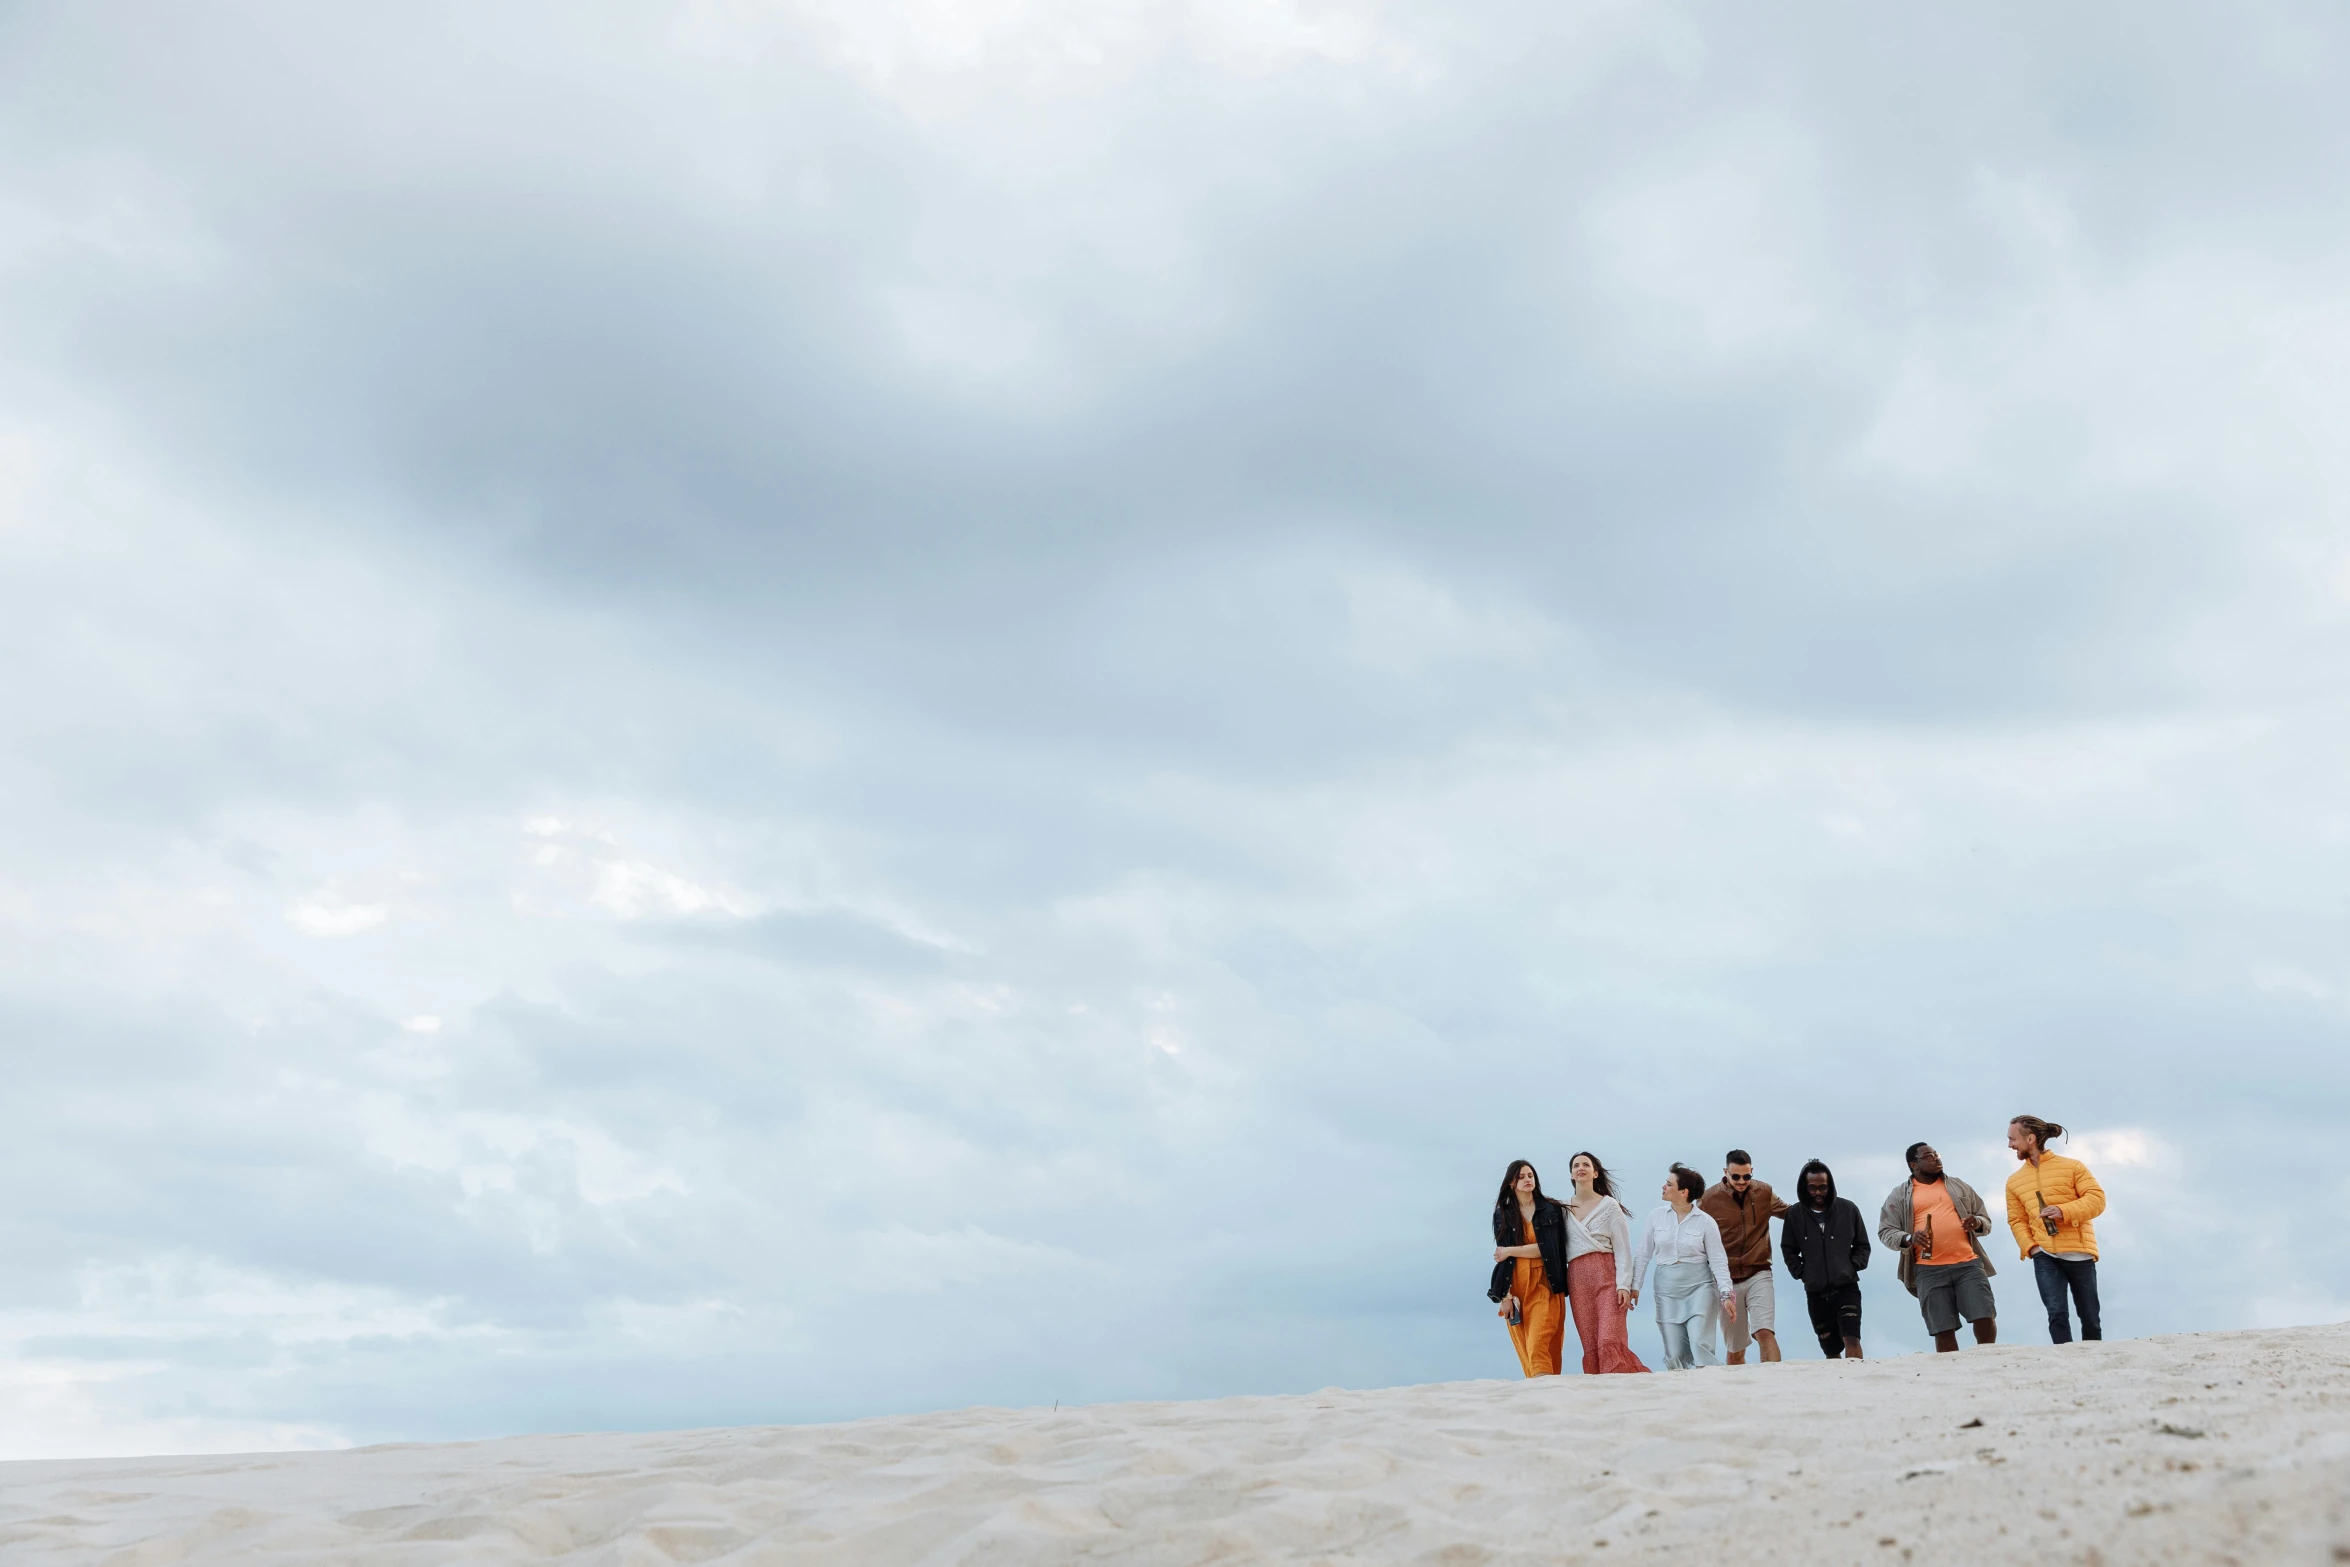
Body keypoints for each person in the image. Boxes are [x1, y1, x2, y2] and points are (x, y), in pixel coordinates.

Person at [1878, 1141, 1999, 1352]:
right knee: (1942, 1327)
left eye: (1936, 1154)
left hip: (1968, 1264)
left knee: (1984, 1314)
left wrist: (1977, 1222)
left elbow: (1984, 1219)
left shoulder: (1958, 1185)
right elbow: (1886, 1231)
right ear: (1914, 1165)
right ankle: (1951, 1371)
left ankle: (1988, 1358)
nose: (1936, 1159)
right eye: (1929, 1156)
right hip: (1928, 1269)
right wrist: (1908, 1238)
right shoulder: (1899, 1195)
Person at [2004, 1115, 2106, 1344]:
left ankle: (2094, 1360)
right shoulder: (2014, 1181)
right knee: (2056, 1313)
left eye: (2012, 1139)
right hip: (2044, 1255)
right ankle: (2066, 1363)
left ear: (2030, 1138)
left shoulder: (2072, 1167)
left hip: (2079, 1251)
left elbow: (2097, 1200)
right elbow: (2016, 1220)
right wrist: (2031, 1248)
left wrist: (2063, 1210)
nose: (2010, 1145)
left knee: (2090, 1317)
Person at [1631, 1164, 1736, 1370]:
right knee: (1675, 1352)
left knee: (1699, 1343)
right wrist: (1635, 1285)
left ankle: (1713, 1390)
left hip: (1700, 1287)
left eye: (1669, 1184)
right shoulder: (1655, 1216)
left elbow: (1718, 1260)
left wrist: (1726, 1294)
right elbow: (1643, 1253)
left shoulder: (1706, 1222)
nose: (1663, 1187)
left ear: (1683, 1191)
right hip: (1666, 1290)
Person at [1560, 1152, 1650, 1375]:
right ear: (1571, 1174)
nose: (1581, 1168)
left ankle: (1622, 1385)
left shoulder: (1609, 1206)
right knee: (1590, 1343)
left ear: (1595, 1172)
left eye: (1586, 1165)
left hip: (1607, 1274)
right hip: (1577, 1278)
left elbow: (1623, 1249)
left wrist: (1623, 1286)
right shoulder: (1562, 1209)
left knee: (1609, 1338)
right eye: (1576, 1165)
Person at [1699, 1149, 1788, 1365]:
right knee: (1735, 1349)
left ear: (1752, 1172)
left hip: (1759, 1271)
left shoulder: (1764, 1192)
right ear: (1725, 1172)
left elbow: (1790, 1213)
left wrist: (1820, 1209)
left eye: (1747, 1176)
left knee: (1764, 1332)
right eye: (1736, 1176)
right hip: (1726, 1281)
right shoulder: (1709, 1200)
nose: (1742, 1181)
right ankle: (1737, 1393)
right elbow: (1694, 1234)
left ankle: (1775, 1383)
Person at [1779, 1157, 1870, 1358]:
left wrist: (1852, 1265)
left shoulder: (1848, 1210)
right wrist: (1801, 1272)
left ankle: (1857, 1379)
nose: (1818, 1193)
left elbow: (1863, 1245)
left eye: (1823, 1187)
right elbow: (1788, 1249)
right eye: (1812, 1188)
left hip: (1847, 1286)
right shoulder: (1794, 1214)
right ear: (1805, 1187)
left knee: (1851, 1338)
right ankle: (1839, 1385)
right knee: (1830, 1349)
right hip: (1815, 1291)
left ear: (1830, 1186)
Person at [1489, 1159, 1571, 1376]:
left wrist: (1510, 1250)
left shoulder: (1550, 1210)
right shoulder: (1502, 1214)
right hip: (1516, 1286)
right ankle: (1543, 1393)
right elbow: (1502, 1257)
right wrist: (1505, 1296)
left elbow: (1548, 1249)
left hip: (1545, 1282)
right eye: (1522, 1177)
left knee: (1539, 1341)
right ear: (1511, 1184)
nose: (1527, 1180)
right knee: (1526, 1347)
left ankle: (1544, 1387)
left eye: (1530, 1176)